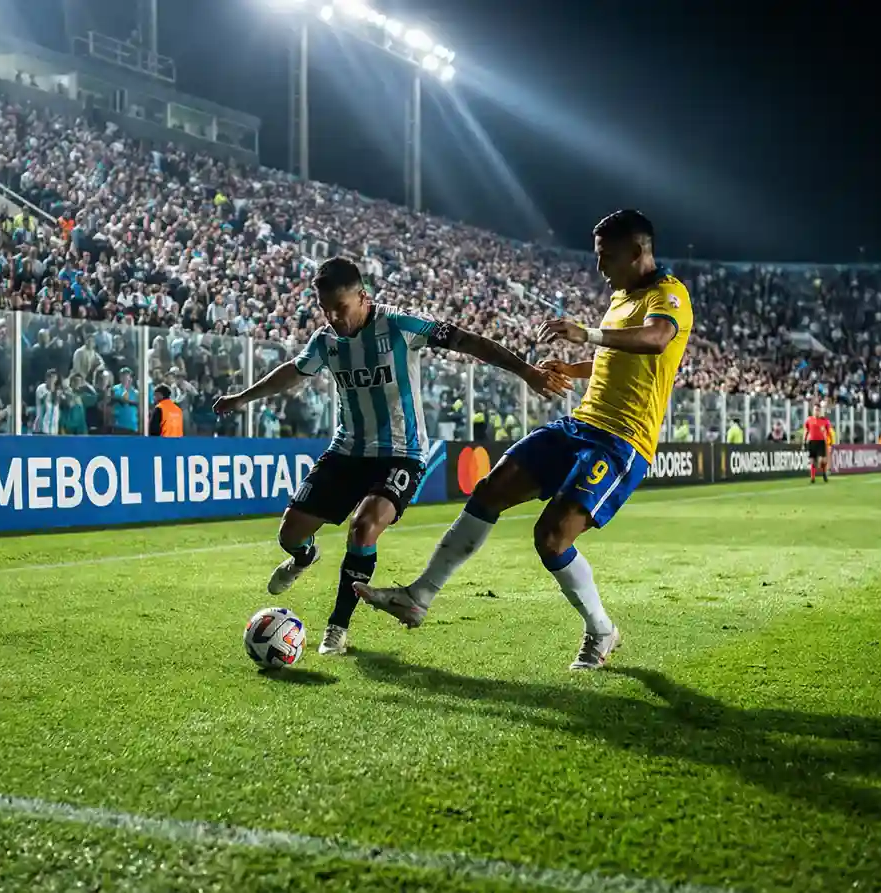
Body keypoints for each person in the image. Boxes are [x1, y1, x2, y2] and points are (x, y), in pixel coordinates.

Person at [356, 210, 694, 670]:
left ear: (638, 252)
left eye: (607, 257)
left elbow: (655, 341)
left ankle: (601, 630)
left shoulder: (669, 295)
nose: (599, 268)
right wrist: (573, 368)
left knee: (551, 538)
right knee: (490, 489)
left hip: (620, 441)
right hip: (579, 425)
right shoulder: (621, 297)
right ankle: (419, 597)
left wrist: (587, 333)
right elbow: (619, 361)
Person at [213, 257, 567, 657]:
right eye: (325, 310)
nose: (333, 319)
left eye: (340, 309)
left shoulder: (400, 325)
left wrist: (525, 371)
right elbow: (294, 373)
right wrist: (241, 398)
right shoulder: (325, 343)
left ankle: (337, 627)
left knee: (364, 528)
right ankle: (304, 557)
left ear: (363, 297)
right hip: (346, 452)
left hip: (401, 454)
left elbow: (468, 341)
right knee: (289, 535)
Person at [802, 404, 835, 483]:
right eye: (815, 410)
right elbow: (806, 431)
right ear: (813, 411)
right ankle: (812, 478)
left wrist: (830, 443)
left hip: (821, 442)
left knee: (821, 461)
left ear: (820, 411)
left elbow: (829, 433)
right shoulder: (809, 420)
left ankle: (824, 473)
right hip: (812, 442)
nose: (816, 411)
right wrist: (804, 442)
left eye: (818, 410)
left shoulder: (825, 421)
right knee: (812, 461)